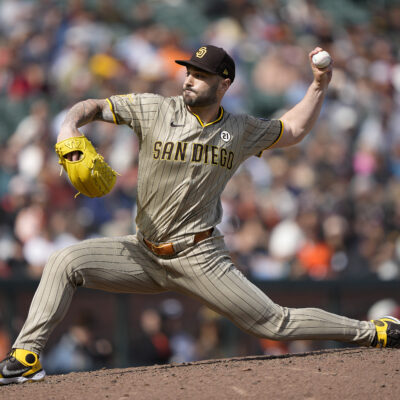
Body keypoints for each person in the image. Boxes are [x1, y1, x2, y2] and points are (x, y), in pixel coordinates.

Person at [1, 45, 399, 385]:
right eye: (189, 71)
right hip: (142, 252)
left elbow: (292, 130)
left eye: (202, 75)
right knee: (64, 260)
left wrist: (317, 85)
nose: (190, 79)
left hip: (200, 256)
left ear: (224, 84)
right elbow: (94, 106)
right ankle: (27, 356)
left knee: (274, 323)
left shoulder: (240, 129)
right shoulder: (154, 109)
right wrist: (69, 125)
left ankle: (374, 331)